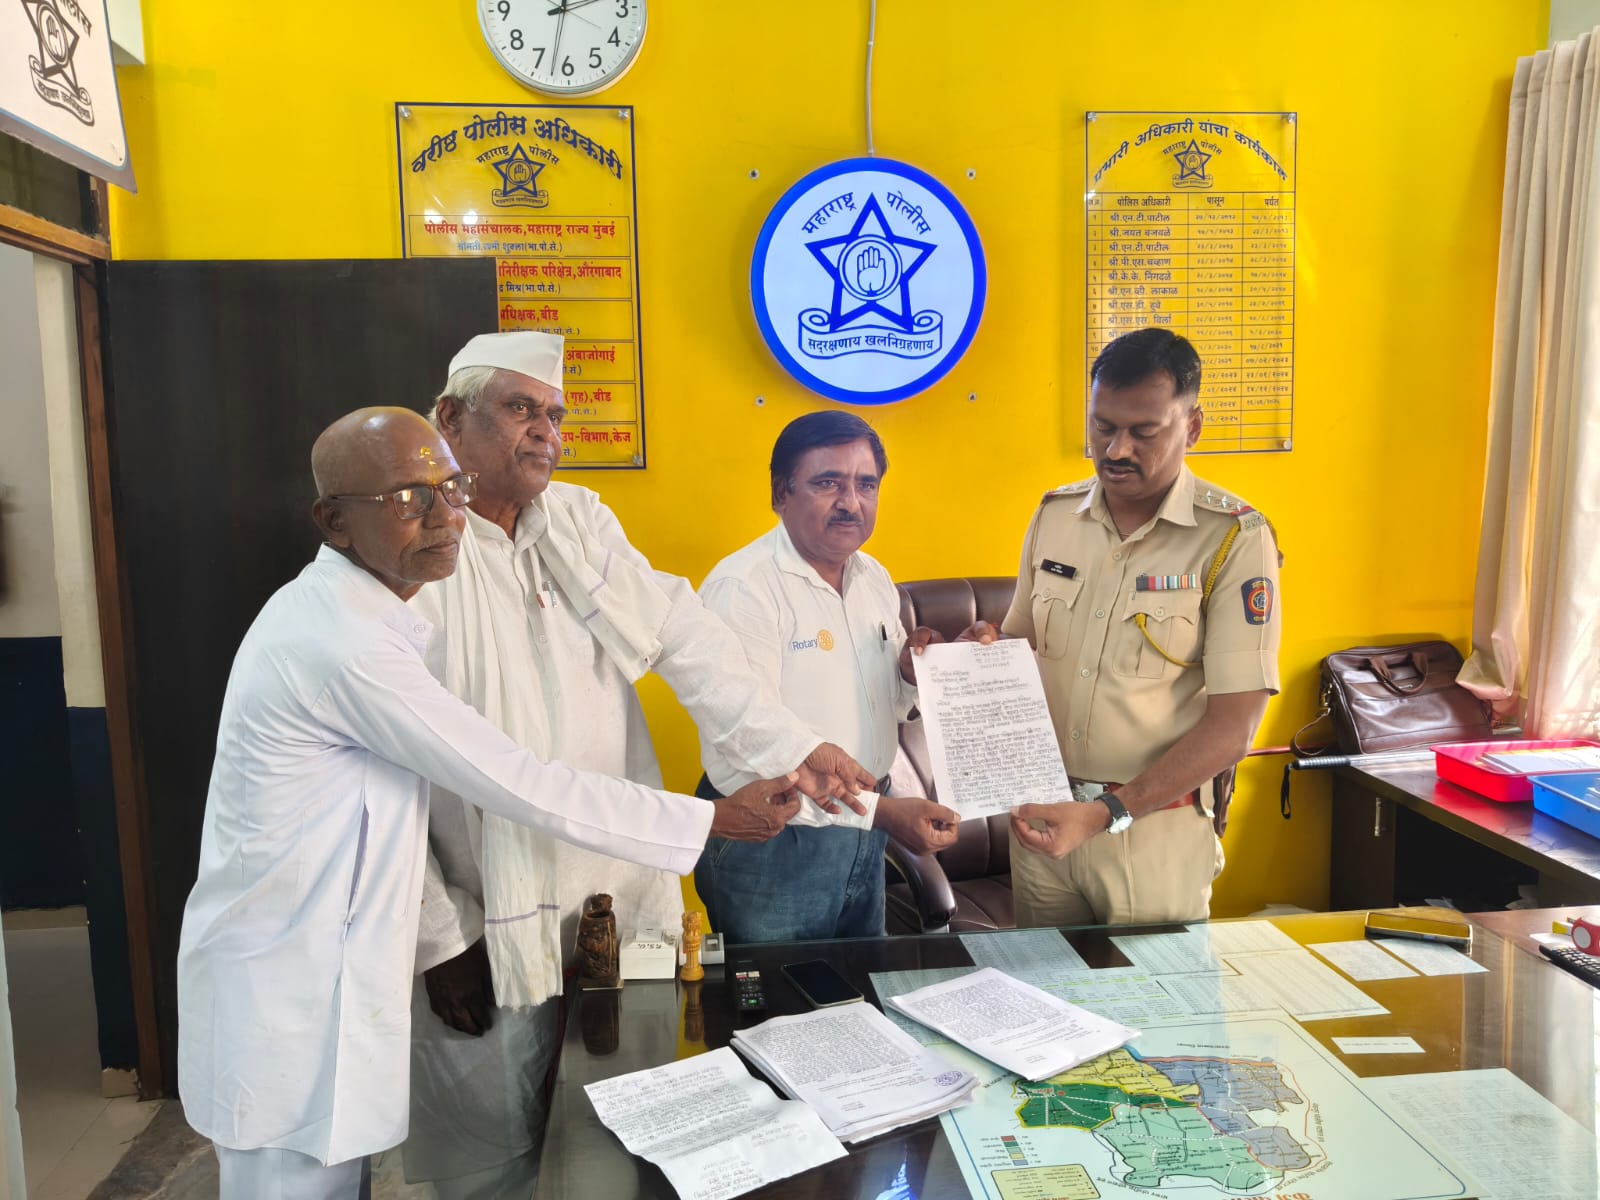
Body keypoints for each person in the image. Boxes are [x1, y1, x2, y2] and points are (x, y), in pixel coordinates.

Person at [176, 408, 800, 1200]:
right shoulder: (345, 645)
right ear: (334, 522)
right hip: (287, 992)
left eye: (450, 489)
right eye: (409, 499)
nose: (446, 517)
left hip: (327, 976)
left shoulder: (383, 612)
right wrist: (711, 818)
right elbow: (520, 781)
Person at [405, 332, 877, 1197]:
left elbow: (685, 638)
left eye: (554, 414)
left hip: (610, 893)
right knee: (492, 1151)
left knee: (616, 1133)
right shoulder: (419, 545)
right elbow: (385, 773)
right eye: (519, 409)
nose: (545, 431)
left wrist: (796, 748)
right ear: (450, 419)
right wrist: (438, 937)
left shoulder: (581, 521)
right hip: (485, 902)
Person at [1001, 327, 1282, 926]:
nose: (1116, 449)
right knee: (1039, 987)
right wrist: (963, 656)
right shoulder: (1054, 516)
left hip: (1151, 833)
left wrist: (1105, 812)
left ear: (1192, 427)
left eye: (1143, 432)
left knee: (1154, 991)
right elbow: (1014, 654)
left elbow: (1234, 728)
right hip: (1043, 825)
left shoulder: (1233, 538)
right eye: (1102, 426)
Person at [694, 411, 960, 942]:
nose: (851, 502)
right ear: (781, 493)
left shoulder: (874, 577)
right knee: (780, 993)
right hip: (775, 839)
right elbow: (747, 735)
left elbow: (891, 704)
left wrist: (911, 674)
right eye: (828, 483)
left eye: (866, 485)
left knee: (859, 986)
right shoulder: (743, 588)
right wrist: (881, 813)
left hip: (864, 833)